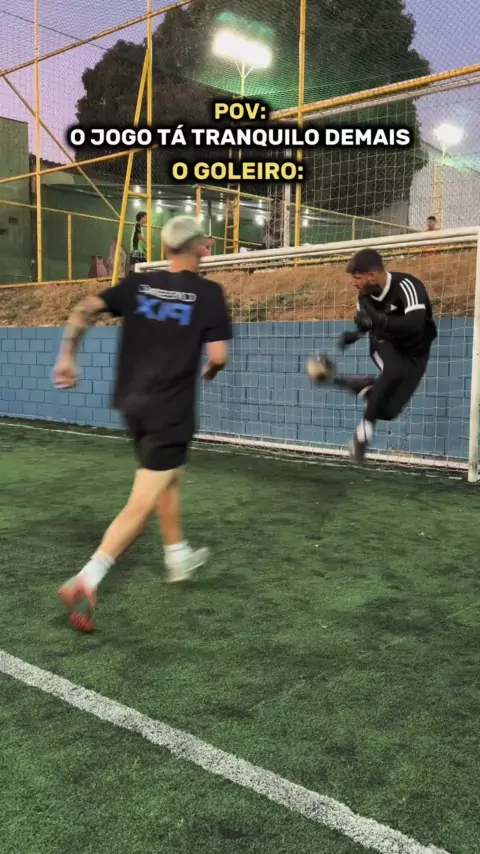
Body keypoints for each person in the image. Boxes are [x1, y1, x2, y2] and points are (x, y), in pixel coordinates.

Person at [52, 216, 232, 632]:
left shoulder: (138, 283)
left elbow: (84, 309)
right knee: (143, 500)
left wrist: (67, 357)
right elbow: (219, 357)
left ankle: (176, 554)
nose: (208, 247)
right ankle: (87, 578)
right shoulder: (208, 293)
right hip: (170, 409)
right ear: (200, 248)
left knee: (169, 475)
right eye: (207, 243)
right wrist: (210, 371)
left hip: (133, 405)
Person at [308, 248, 437, 462]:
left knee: (389, 411)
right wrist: (356, 333)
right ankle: (362, 435)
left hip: (417, 352)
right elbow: (370, 325)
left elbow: (415, 323)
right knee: (394, 371)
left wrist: (380, 320)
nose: (354, 283)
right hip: (385, 343)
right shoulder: (364, 298)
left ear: (372, 275)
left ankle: (354, 384)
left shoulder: (408, 286)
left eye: (357, 278)